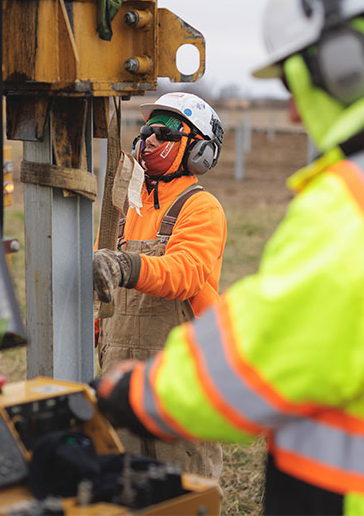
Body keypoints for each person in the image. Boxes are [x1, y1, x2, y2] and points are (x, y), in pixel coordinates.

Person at [93, 0, 364, 515]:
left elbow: (251, 363)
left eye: (294, 82)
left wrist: (132, 393)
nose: (290, 111)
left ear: (344, 65)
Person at [93, 91, 226, 479]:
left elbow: (185, 273)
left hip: (181, 377)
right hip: (120, 378)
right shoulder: (124, 210)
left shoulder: (200, 208)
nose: (149, 139)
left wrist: (125, 265)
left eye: (164, 132)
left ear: (199, 149)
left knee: (184, 486)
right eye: (147, 130)